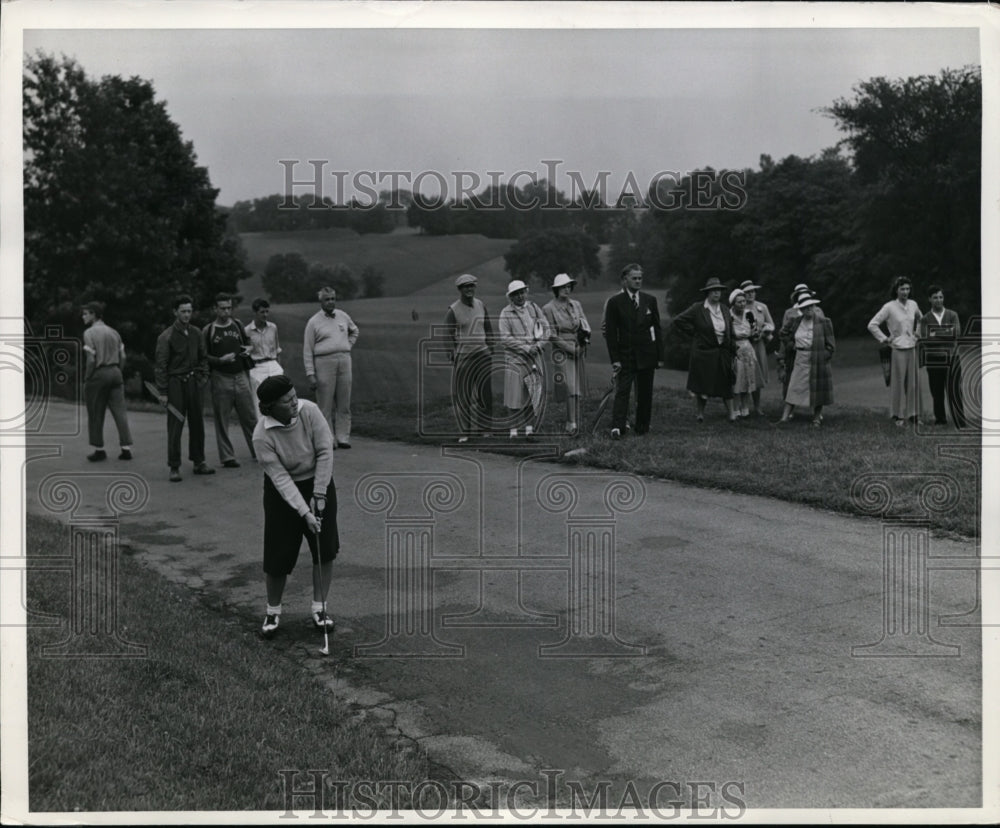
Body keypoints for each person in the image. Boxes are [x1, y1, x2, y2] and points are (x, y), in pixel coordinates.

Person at [252, 375, 339, 639]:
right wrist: (304, 512)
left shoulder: (309, 411)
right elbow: (279, 478)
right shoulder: (262, 435)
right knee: (279, 552)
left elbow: (325, 451)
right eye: (287, 400)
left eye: (294, 396)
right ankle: (273, 611)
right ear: (270, 407)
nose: (294, 402)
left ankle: (319, 608)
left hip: (318, 481)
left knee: (324, 547)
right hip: (282, 492)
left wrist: (319, 494)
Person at [154, 295, 214, 481]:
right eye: (183, 311)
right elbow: (161, 366)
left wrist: (203, 378)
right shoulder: (166, 336)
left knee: (197, 423)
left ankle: (199, 462)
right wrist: (163, 392)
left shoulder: (196, 333)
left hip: (194, 383)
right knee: (175, 425)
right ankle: (174, 466)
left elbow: (204, 358)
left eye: (189, 311)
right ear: (175, 312)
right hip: (175, 384)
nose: (187, 315)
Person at [602, 263, 663, 438]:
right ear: (625, 280)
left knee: (645, 392)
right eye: (634, 278)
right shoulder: (615, 302)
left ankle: (642, 426)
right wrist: (615, 358)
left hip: (647, 354)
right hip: (626, 355)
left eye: (640, 278)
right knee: (623, 391)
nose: (638, 281)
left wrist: (660, 355)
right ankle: (618, 425)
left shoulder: (649, 300)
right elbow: (612, 333)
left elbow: (657, 329)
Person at [670, 277, 737, 423]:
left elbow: (730, 330)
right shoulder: (698, 308)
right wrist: (695, 333)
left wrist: (733, 348)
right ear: (707, 293)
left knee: (726, 382)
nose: (716, 294)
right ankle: (700, 413)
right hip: (704, 351)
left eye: (718, 291)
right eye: (713, 291)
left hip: (722, 351)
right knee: (702, 384)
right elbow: (678, 320)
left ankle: (731, 413)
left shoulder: (725, 309)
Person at [203, 293, 258, 468]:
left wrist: (248, 349)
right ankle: (227, 457)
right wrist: (220, 360)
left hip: (241, 375)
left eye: (229, 308)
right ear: (215, 309)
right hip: (221, 377)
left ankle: (259, 451)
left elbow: (249, 343)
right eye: (222, 308)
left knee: (250, 416)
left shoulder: (238, 325)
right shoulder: (209, 330)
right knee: (222, 419)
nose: (226, 311)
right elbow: (203, 356)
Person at [303, 286, 359, 448]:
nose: (330, 302)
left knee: (344, 401)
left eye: (333, 299)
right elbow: (308, 349)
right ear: (321, 301)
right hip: (323, 361)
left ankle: (343, 437)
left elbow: (354, 331)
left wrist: (346, 345)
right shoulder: (313, 322)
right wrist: (310, 374)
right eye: (327, 299)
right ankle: (327, 438)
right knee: (325, 403)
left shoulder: (342, 316)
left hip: (344, 360)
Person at [444, 273, 494, 442]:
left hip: (483, 354)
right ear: (460, 289)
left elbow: (488, 327)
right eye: (466, 287)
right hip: (464, 357)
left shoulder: (480, 305)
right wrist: (452, 354)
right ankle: (465, 432)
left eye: (472, 286)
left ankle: (485, 429)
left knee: (485, 394)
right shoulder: (453, 310)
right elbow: (447, 334)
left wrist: (491, 348)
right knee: (464, 395)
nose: (469, 289)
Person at [81, 301, 134, 461]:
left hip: (99, 373)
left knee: (96, 411)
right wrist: (118, 370)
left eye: (85, 313)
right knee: (120, 412)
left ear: (93, 314)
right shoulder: (114, 332)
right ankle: (126, 448)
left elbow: (91, 360)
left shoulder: (89, 333)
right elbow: (123, 357)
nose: (83, 317)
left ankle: (99, 449)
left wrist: (88, 377)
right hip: (116, 371)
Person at [498, 279, 550, 439]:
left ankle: (529, 429)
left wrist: (539, 345)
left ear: (526, 292)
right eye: (515, 294)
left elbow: (547, 329)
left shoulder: (534, 308)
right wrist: (526, 347)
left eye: (522, 292)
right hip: (515, 359)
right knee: (514, 395)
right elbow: (505, 338)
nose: (520, 296)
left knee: (531, 394)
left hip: (534, 358)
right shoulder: (505, 313)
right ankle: (513, 431)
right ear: (510, 297)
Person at [867, 276, 922, 426]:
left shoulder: (913, 304)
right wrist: (885, 339)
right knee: (897, 382)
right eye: (902, 289)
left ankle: (912, 414)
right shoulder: (889, 307)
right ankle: (897, 415)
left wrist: (917, 335)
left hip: (911, 347)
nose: (905, 292)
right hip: (897, 348)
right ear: (896, 290)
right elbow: (872, 324)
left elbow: (921, 320)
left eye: (907, 289)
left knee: (912, 384)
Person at [543, 273, 591, 436]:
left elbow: (584, 325)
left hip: (578, 347)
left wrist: (583, 344)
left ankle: (576, 420)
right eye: (563, 287)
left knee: (577, 387)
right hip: (562, 351)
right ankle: (570, 423)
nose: (567, 289)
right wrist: (570, 349)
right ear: (556, 289)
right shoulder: (548, 308)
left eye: (569, 286)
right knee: (570, 386)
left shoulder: (576, 305)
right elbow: (551, 334)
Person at [777, 294, 835, 426]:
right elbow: (782, 333)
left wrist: (823, 356)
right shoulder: (794, 321)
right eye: (805, 307)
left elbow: (831, 346)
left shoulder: (824, 322)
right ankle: (784, 418)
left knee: (818, 389)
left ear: (814, 307)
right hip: (800, 357)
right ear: (801, 309)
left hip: (818, 359)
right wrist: (791, 346)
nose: (809, 309)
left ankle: (816, 418)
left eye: (811, 306)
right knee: (793, 387)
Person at [919, 285, 967, 428]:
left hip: (952, 357)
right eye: (935, 297)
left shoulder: (953, 315)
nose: (938, 300)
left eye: (940, 297)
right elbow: (926, 339)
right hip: (933, 359)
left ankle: (960, 421)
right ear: (930, 299)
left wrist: (935, 332)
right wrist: (946, 332)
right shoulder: (925, 319)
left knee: (955, 390)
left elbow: (956, 333)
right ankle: (940, 419)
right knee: (937, 391)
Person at [739, 280, 775, 415]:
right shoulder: (739, 307)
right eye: (747, 292)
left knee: (757, 374)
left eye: (752, 291)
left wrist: (764, 331)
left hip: (758, 344)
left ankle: (757, 406)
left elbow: (771, 324)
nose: (750, 294)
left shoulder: (762, 307)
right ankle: (744, 406)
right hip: (744, 343)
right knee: (745, 373)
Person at [728, 289, 763, 418]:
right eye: (739, 302)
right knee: (737, 379)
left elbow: (755, 332)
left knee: (748, 378)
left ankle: (745, 408)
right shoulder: (729, 315)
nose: (742, 304)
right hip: (735, 349)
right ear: (733, 303)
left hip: (748, 348)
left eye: (743, 301)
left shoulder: (749, 314)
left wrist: (756, 333)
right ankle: (735, 409)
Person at [244, 297, 284, 394]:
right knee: (259, 400)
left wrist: (279, 366)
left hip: (273, 366)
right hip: (257, 368)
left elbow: (277, 349)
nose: (265, 315)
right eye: (262, 312)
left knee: (278, 398)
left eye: (267, 311)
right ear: (255, 312)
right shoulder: (247, 331)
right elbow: (245, 355)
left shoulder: (273, 327)